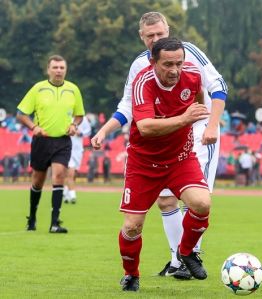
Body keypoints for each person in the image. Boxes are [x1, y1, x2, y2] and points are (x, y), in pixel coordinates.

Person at [91, 12, 226, 278]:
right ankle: (172, 261)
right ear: (142, 38)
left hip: (195, 134)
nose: (156, 39)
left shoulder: (188, 56)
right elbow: (129, 108)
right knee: (162, 204)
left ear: (169, 31)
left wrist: (210, 124)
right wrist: (105, 130)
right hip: (151, 149)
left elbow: (216, 87)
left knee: (198, 202)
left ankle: (189, 255)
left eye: (160, 34)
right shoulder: (140, 69)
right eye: (150, 36)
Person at [118, 37, 211, 291]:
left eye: (178, 63)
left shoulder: (192, 75)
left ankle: (186, 252)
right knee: (132, 227)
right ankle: (131, 274)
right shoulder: (143, 84)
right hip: (144, 164)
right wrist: (184, 119)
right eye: (168, 64)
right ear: (152, 62)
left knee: (202, 204)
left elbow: (199, 99)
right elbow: (146, 128)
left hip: (180, 159)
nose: (174, 70)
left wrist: (196, 118)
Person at [16, 55, 85, 233]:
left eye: (62, 67)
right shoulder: (38, 89)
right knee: (38, 181)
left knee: (59, 175)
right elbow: (21, 113)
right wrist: (33, 127)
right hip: (42, 141)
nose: (59, 70)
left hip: (63, 141)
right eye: (55, 67)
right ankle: (32, 218)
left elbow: (79, 115)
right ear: (48, 70)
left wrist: (74, 125)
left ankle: (55, 223)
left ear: (66, 70)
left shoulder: (73, 89)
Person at [64, 116, 91, 204]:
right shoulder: (65, 116)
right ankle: (73, 195)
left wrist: (81, 133)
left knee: (74, 173)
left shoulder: (83, 118)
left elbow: (88, 131)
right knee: (70, 172)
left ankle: (66, 192)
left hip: (78, 149)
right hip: (67, 148)